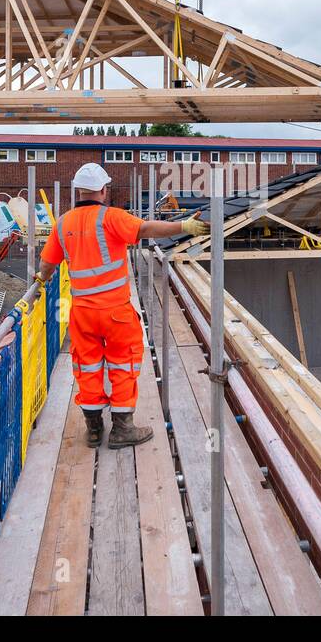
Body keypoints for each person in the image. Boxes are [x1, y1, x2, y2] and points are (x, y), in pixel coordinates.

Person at [35, 163, 209, 448]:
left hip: (81, 313)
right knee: (123, 364)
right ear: (103, 190)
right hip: (115, 312)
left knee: (88, 367)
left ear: (78, 191)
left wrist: (41, 279)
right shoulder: (111, 217)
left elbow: (47, 264)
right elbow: (146, 228)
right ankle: (122, 429)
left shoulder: (62, 223)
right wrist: (183, 226)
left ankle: (93, 430)